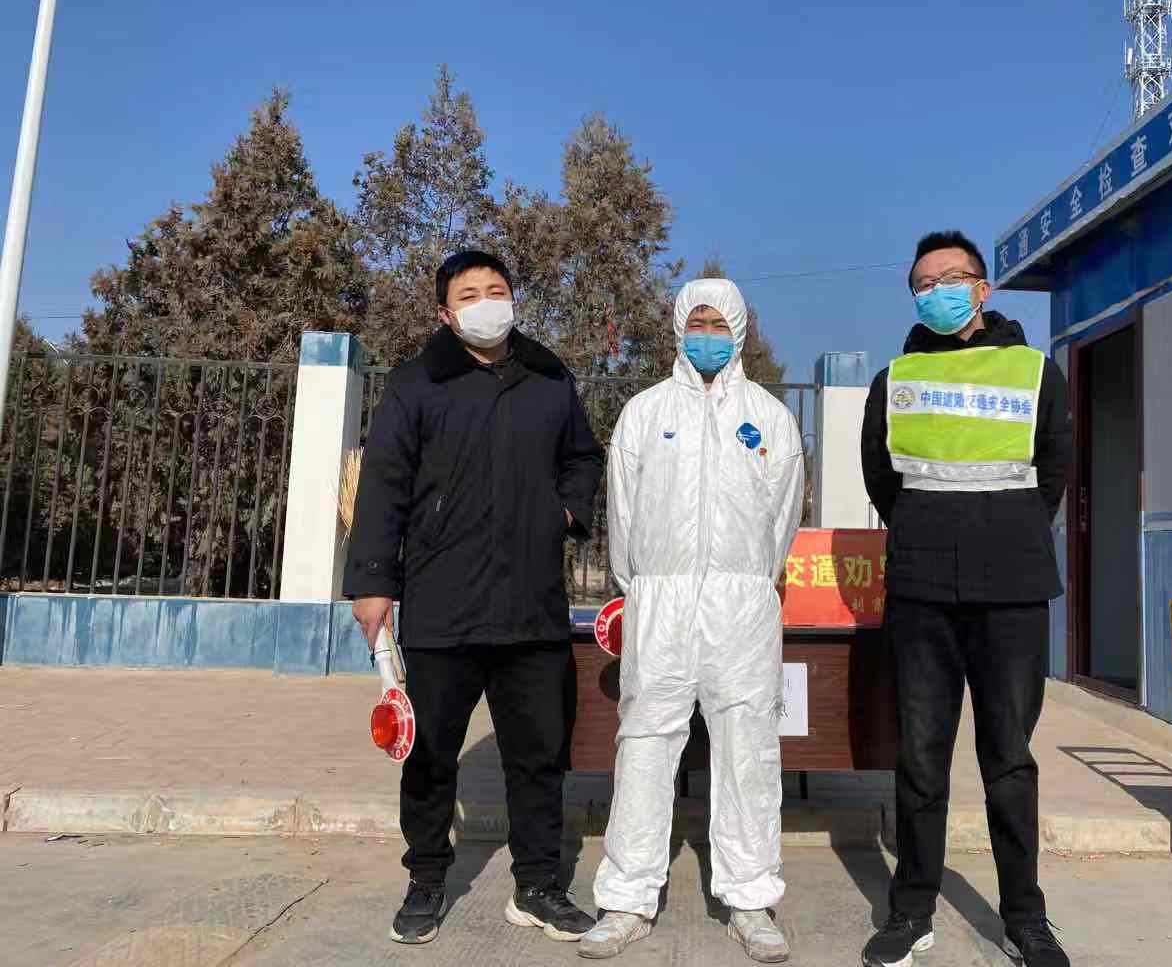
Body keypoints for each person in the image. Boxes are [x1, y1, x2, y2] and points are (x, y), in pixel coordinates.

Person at [345, 250, 603, 946]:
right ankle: (427, 879)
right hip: (442, 603)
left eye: (497, 290)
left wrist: (566, 512)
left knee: (539, 756)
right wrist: (372, 582)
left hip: (531, 605)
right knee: (432, 754)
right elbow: (384, 482)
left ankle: (539, 885)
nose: (487, 303)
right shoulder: (417, 382)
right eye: (470, 294)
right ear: (445, 312)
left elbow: (582, 456)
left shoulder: (548, 376)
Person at [858, 232, 1073, 967]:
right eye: (923, 284)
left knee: (1009, 758)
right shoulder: (896, 379)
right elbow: (882, 478)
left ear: (982, 288)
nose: (937, 292)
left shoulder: (1035, 372)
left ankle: (1025, 919)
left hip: (1011, 589)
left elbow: (1052, 470)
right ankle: (910, 911)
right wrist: (930, 532)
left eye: (950, 278)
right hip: (921, 590)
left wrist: (1003, 531)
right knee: (921, 757)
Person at [579, 279, 805, 963]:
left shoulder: (770, 418)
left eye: (719, 323)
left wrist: (747, 582)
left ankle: (750, 897)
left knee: (748, 748)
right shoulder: (645, 413)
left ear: (739, 330)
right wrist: (645, 588)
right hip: (662, 601)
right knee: (645, 743)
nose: (708, 334)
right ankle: (626, 899)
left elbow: (782, 519)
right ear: (680, 329)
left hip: (742, 604)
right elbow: (623, 514)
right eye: (697, 322)